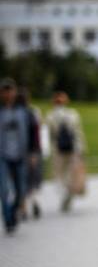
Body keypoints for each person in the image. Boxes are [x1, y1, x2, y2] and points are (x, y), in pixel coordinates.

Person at [0, 78, 34, 233]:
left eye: (10, 90)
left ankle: (13, 212)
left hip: (20, 156)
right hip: (3, 156)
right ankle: (8, 220)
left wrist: (33, 152)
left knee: (21, 191)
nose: (7, 93)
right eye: (4, 90)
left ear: (14, 92)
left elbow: (34, 132)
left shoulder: (25, 111)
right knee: (4, 190)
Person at [45, 91, 86, 213]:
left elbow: (50, 135)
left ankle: (66, 192)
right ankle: (69, 192)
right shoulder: (73, 114)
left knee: (60, 174)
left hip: (59, 149)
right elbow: (78, 133)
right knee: (70, 173)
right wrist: (82, 148)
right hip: (73, 148)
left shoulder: (50, 116)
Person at [16, 87, 43, 221]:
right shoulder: (32, 113)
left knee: (23, 181)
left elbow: (35, 135)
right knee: (30, 181)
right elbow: (37, 136)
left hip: (25, 152)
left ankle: (25, 206)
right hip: (29, 152)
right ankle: (31, 204)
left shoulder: (28, 114)